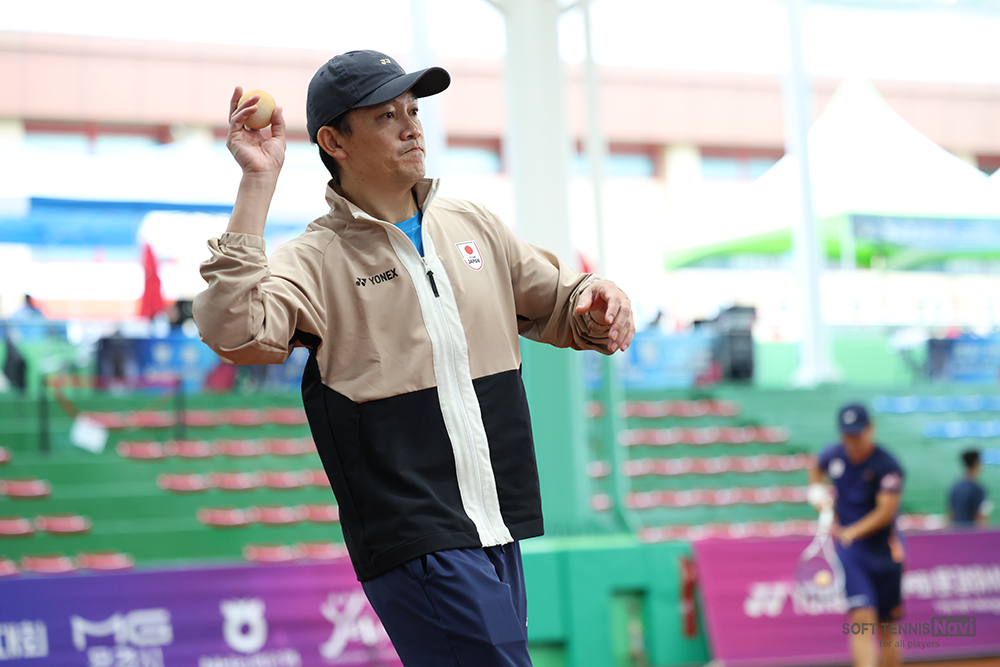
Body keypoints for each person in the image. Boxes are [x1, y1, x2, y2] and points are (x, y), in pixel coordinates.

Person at [193, 50, 635, 667]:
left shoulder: (471, 224)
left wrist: (598, 300)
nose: (411, 127)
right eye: (386, 116)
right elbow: (232, 329)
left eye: (413, 110)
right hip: (413, 534)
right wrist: (258, 181)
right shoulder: (315, 259)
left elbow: (561, 300)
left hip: (495, 522)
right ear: (333, 142)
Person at [808, 404, 905, 667]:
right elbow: (815, 468)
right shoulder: (834, 455)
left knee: (887, 626)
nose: (852, 441)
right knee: (861, 619)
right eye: (847, 435)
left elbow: (886, 512)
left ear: (870, 429)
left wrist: (852, 530)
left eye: (857, 434)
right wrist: (817, 496)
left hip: (885, 552)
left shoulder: (888, 465)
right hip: (852, 553)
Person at [948, 449, 992, 527]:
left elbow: (950, 513)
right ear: (976, 463)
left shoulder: (955, 487)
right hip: (972, 532)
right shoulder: (977, 489)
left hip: (957, 531)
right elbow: (981, 516)